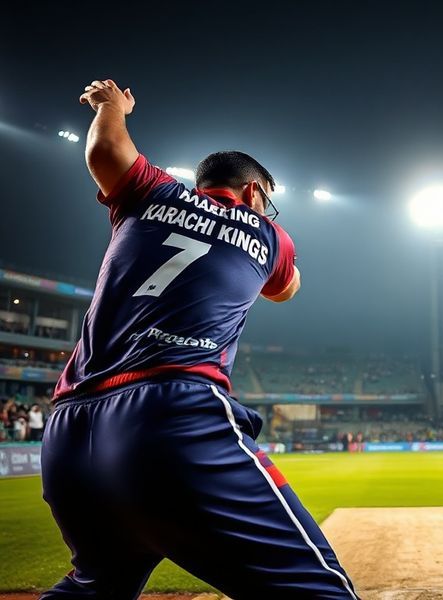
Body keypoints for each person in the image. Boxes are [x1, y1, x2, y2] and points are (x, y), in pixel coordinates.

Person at [40, 79, 357, 599]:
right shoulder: (269, 235)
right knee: (320, 592)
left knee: (98, 584)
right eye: (267, 201)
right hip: (172, 415)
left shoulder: (153, 191)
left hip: (71, 428)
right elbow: (287, 288)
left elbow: (102, 149)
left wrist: (112, 106)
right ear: (253, 192)